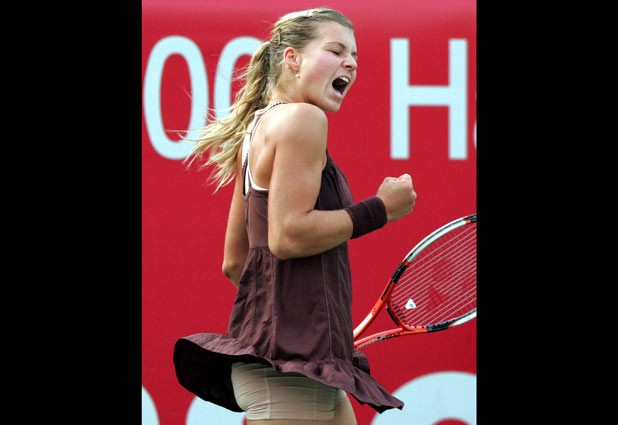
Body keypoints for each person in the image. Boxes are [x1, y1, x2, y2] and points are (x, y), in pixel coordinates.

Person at [173, 7, 417, 425]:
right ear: (292, 59)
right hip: (289, 378)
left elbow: (236, 261)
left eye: (354, 55)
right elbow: (287, 237)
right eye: (336, 51)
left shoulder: (258, 128)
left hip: (302, 368)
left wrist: (306, 323)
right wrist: (381, 209)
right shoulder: (304, 118)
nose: (351, 63)